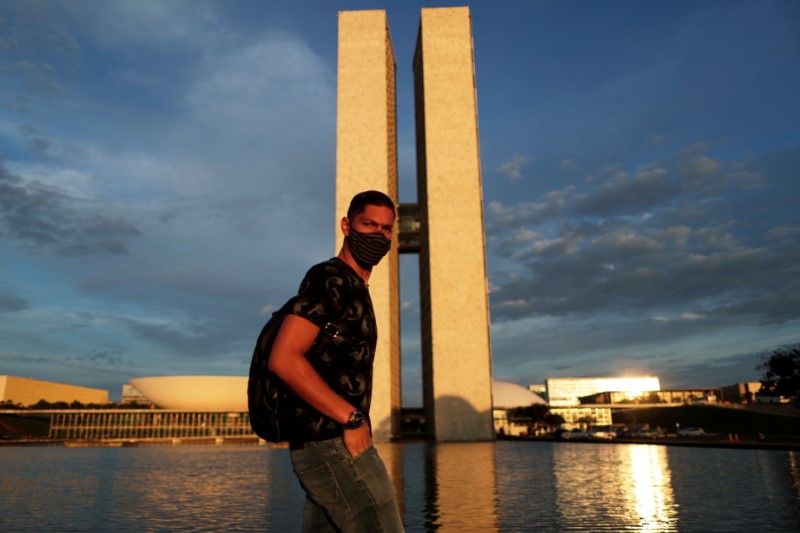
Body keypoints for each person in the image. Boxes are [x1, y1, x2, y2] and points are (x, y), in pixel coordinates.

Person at [268, 190, 405, 532]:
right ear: (346, 226)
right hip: (331, 442)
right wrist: (352, 418)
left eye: (386, 229)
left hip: (330, 443)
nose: (379, 235)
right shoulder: (329, 278)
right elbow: (283, 358)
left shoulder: (357, 287)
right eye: (369, 225)